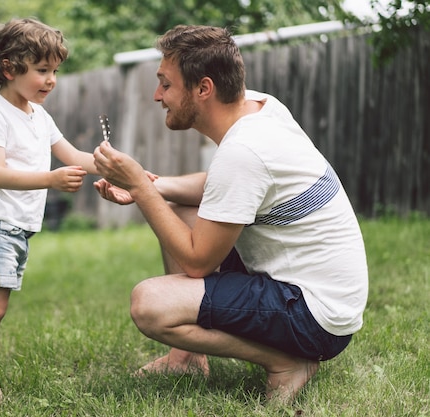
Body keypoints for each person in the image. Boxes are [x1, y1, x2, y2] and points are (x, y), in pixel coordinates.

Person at [93, 24, 368, 403]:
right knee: (180, 208)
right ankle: (186, 359)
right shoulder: (260, 109)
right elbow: (224, 186)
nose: (157, 96)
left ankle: (286, 362)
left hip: (316, 317)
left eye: (166, 84)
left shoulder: (245, 150)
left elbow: (196, 261)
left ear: (203, 88)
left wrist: (140, 188)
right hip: (326, 297)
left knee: (150, 304)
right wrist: (155, 186)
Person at [0, 17, 98, 397]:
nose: (51, 80)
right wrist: (52, 179)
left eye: (54, 70)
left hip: (15, 226)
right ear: (9, 68)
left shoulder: (39, 115)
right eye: (42, 70)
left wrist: (120, 169)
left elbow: (72, 155)